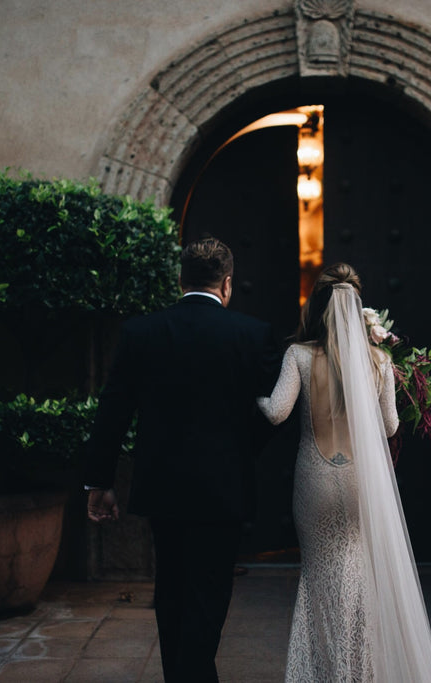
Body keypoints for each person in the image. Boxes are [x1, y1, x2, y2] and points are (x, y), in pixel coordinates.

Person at [84, 237, 279, 682]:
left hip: (164, 487)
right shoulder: (252, 335)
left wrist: (100, 481)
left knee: (171, 592)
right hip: (223, 489)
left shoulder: (141, 332)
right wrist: (243, 447)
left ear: (180, 280)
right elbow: (278, 411)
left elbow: (112, 410)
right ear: (227, 284)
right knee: (209, 597)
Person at [257, 263, 431, 682]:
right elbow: (392, 426)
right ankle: (357, 671)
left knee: (319, 581)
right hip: (361, 482)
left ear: (317, 307)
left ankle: (325, 672)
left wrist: (254, 398)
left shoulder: (299, 356)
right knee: (357, 582)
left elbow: (276, 412)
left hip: (315, 481)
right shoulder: (378, 361)